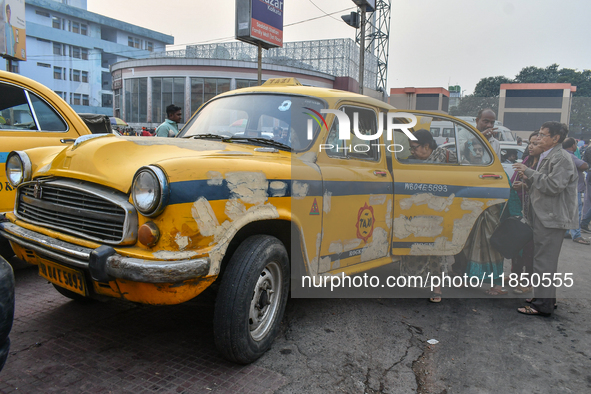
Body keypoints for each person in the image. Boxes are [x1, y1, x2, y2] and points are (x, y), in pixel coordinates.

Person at [513, 121, 578, 316]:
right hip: (544, 216)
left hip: (552, 218)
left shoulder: (562, 159)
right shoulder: (548, 156)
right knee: (543, 261)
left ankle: (542, 305)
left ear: (555, 138)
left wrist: (529, 172)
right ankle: (545, 299)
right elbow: (544, 185)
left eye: (542, 135)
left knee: (544, 263)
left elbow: (553, 186)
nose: (538, 138)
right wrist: (526, 183)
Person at [401, 129, 456, 302]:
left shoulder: (447, 157)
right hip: (417, 211)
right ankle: (418, 282)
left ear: (426, 146)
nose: (412, 152)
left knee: (437, 251)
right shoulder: (411, 162)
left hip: (438, 211)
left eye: (414, 148)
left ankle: (437, 289)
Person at [508, 132, 542, 294]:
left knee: (529, 247)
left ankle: (527, 281)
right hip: (519, 206)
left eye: (535, 143)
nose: (531, 146)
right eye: (530, 143)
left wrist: (524, 185)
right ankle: (515, 275)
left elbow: (540, 186)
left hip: (534, 210)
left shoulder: (541, 165)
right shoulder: (527, 160)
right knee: (517, 242)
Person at [562, 137, 590, 244]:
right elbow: (583, 165)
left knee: (569, 212)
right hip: (574, 188)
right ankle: (576, 235)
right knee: (576, 212)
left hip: (567, 188)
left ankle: (566, 231)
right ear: (573, 145)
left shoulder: (563, 155)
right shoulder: (570, 155)